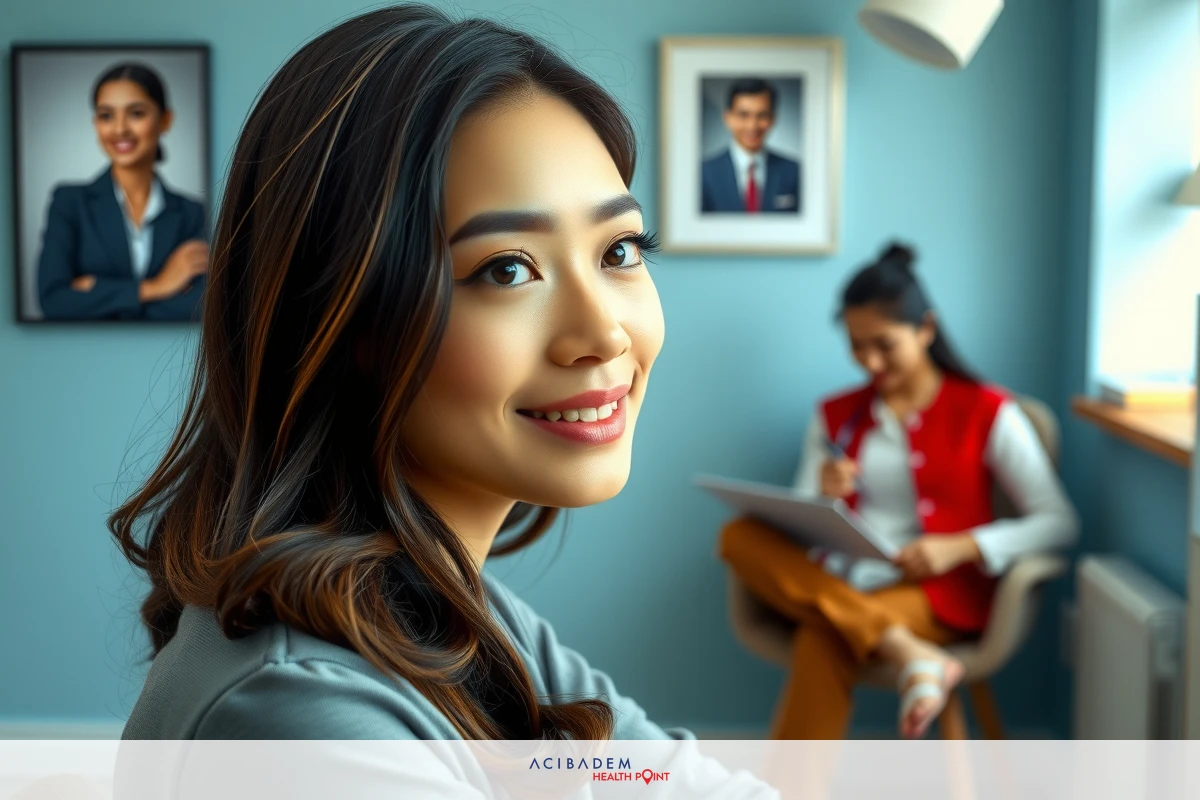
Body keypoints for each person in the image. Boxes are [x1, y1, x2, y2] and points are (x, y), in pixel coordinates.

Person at [108, 3, 763, 765]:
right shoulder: (297, 712)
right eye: (507, 269)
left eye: (619, 250)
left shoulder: (449, 609)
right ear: (342, 320)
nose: (605, 335)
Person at [720, 242, 1079, 740]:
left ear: (926, 329)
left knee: (824, 640)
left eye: (883, 345)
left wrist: (962, 546)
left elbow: (1059, 522)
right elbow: (798, 527)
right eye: (856, 345)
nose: (869, 362)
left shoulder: (989, 411)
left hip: (937, 593)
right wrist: (822, 494)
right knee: (738, 536)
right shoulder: (833, 415)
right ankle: (910, 653)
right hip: (843, 579)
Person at [36, 62, 207, 321]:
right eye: (106, 115)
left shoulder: (191, 212)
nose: (120, 129)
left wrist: (96, 293)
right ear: (95, 124)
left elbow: (201, 306)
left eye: (136, 113)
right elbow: (54, 301)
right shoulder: (69, 202)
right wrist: (157, 288)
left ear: (165, 120)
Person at [700, 78, 801, 214]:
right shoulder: (704, 173)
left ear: (773, 119)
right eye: (743, 115)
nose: (752, 126)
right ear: (727, 118)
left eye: (762, 115)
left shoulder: (794, 172)